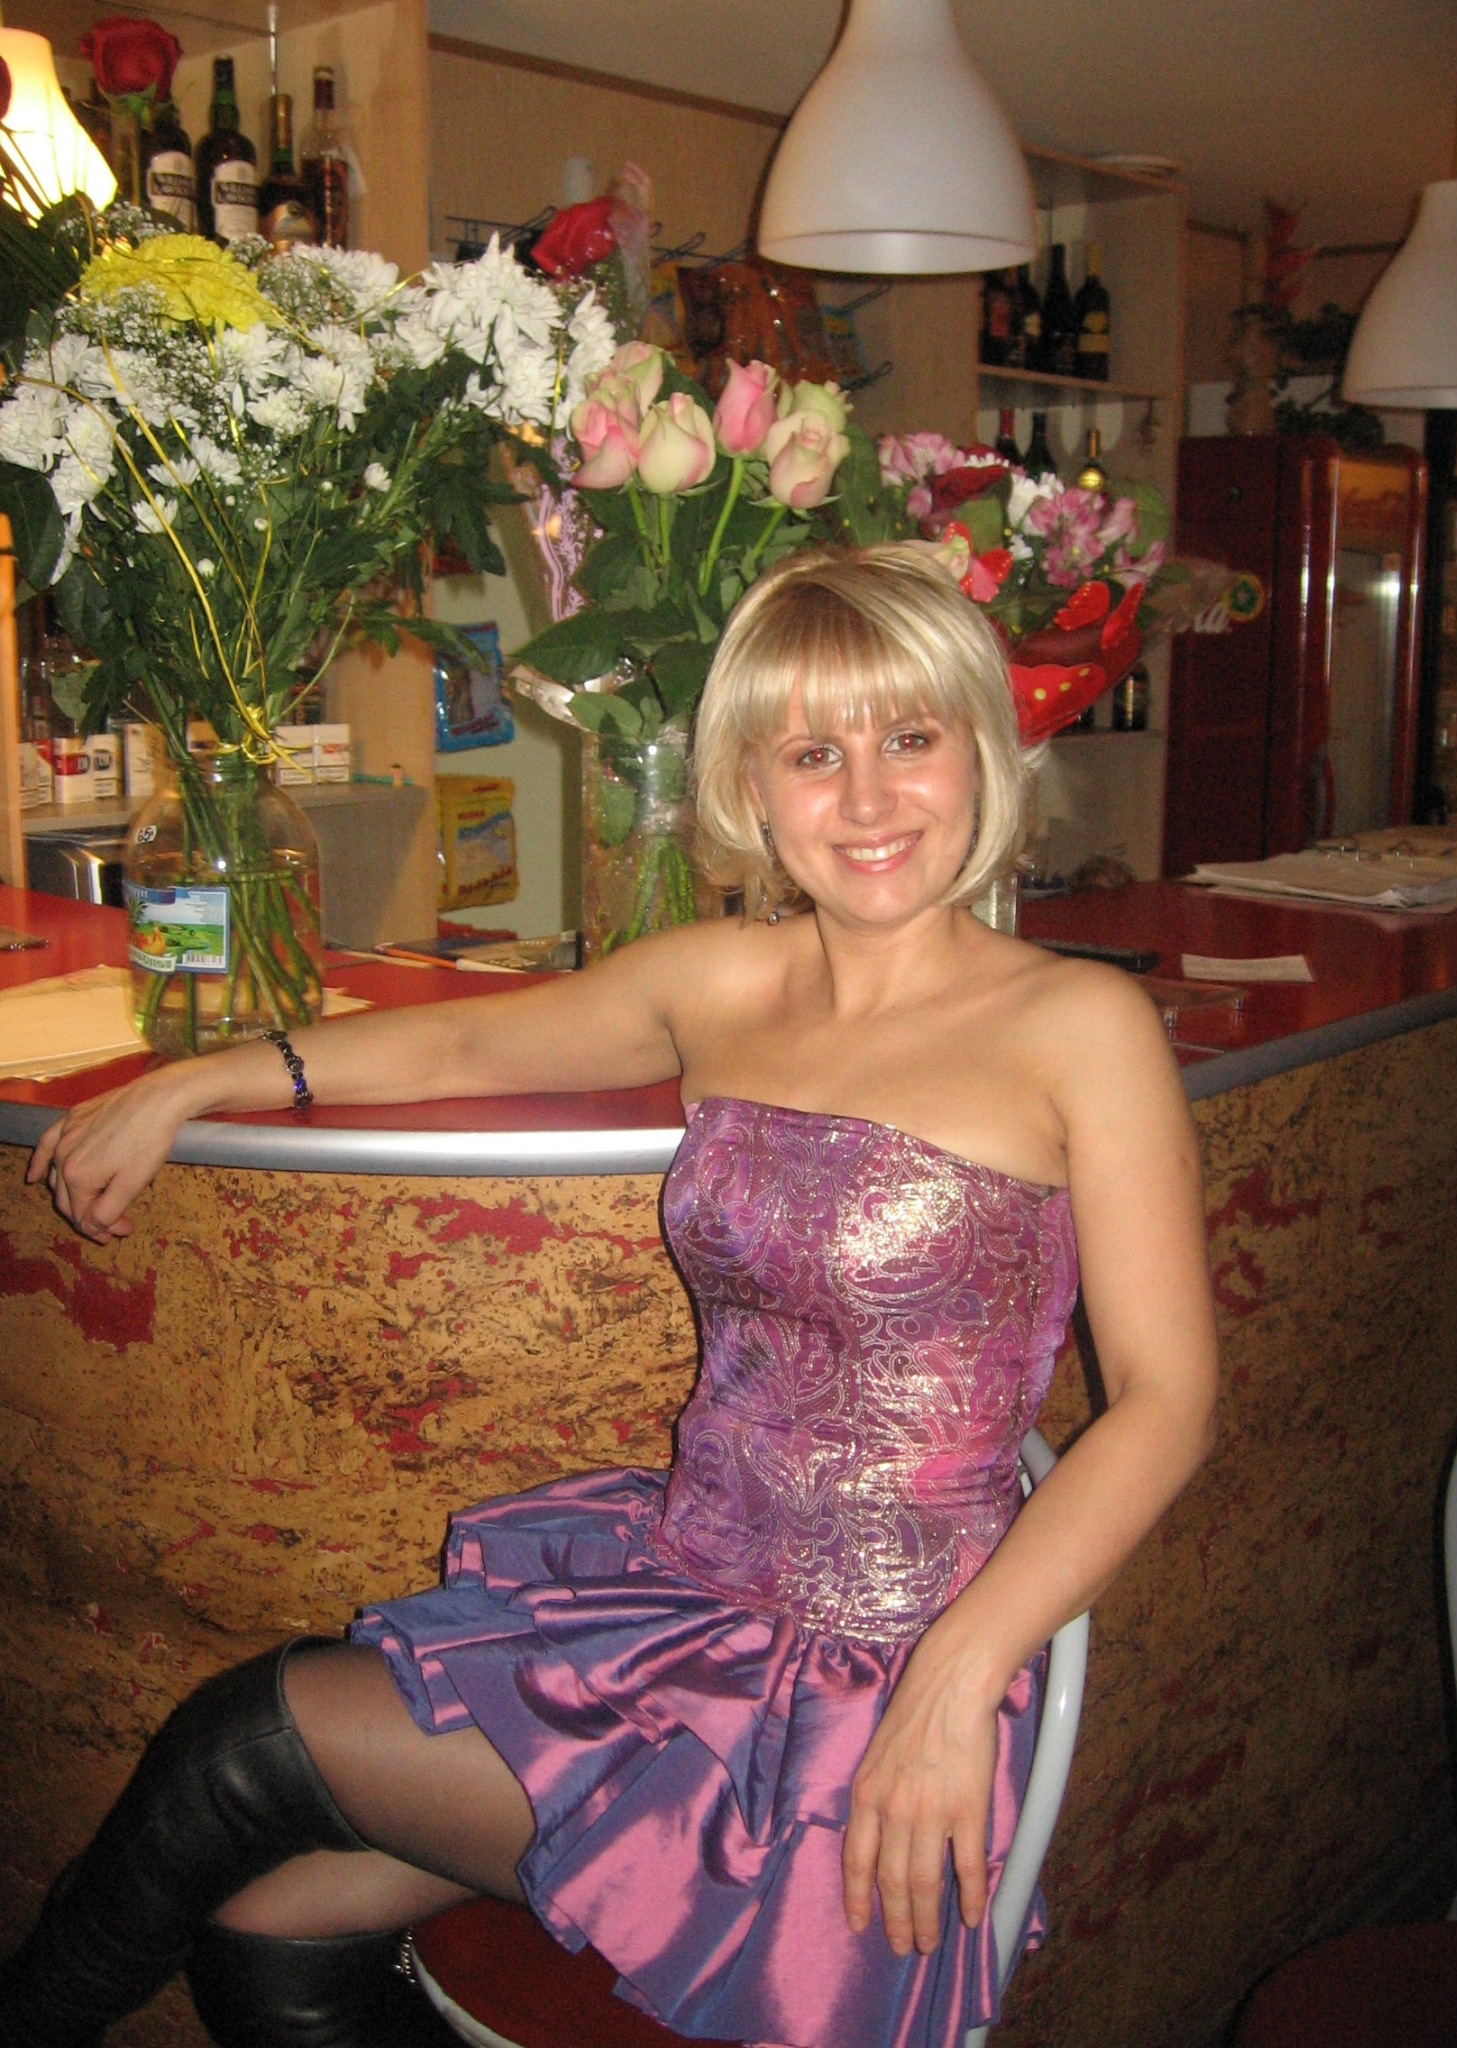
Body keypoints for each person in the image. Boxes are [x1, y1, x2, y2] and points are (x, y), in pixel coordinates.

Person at [5, 546, 1219, 2048]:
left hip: (874, 1681)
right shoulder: (722, 981)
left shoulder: (1080, 1023)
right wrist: (198, 1079)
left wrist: (959, 1676)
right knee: (269, 1926)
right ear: (751, 785)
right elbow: (464, 1047)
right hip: (688, 1606)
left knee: (243, 1746)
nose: (868, 799)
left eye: (910, 738)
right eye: (813, 755)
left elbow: (1167, 1402)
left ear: (984, 749)